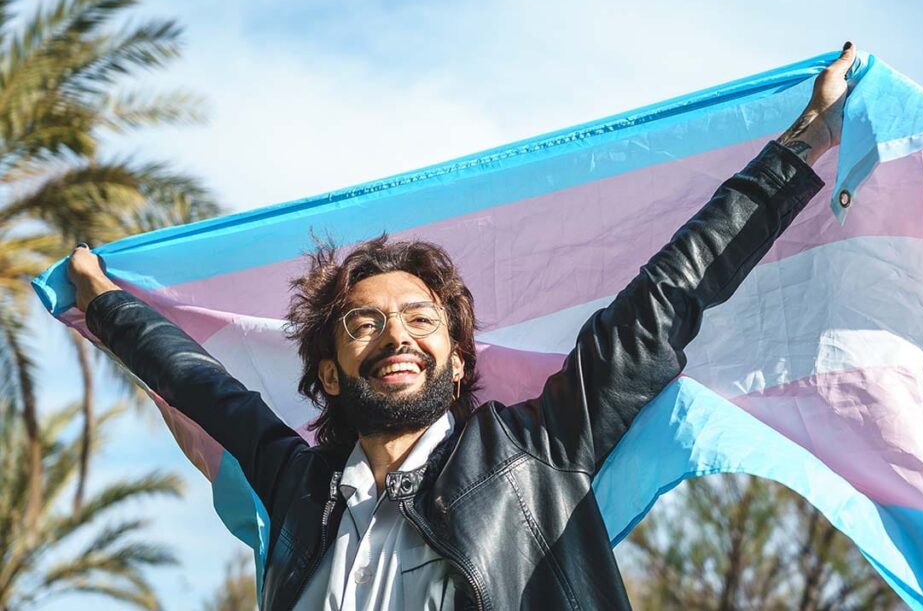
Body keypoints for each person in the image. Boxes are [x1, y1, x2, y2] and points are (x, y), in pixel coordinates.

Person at [68, 43, 857, 610]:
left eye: (420, 317)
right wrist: (102, 300)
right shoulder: (299, 489)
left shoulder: (536, 454)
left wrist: (797, 149)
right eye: (365, 322)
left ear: (455, 360)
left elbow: (661, 303)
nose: (397, 334)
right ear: (333, 370)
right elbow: (198, 383)